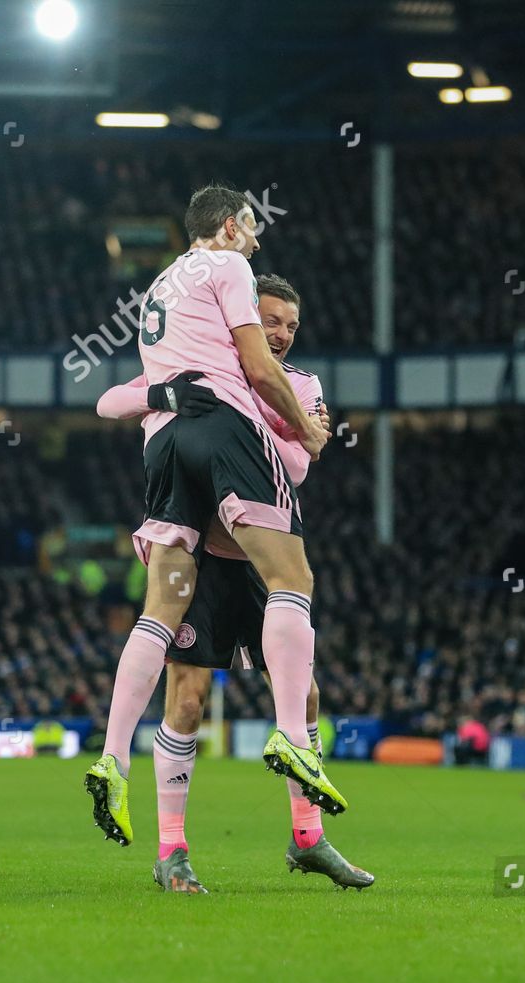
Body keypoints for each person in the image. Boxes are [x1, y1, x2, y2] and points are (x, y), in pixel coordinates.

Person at [82, 186, 340, 893]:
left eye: (288, 323)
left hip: (184, 477)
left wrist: (175, 396)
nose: (277, 331)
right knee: (195, 690)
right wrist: (280, 418)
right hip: (220, 517)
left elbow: (295, 464)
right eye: (268, 318)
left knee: (303, 690)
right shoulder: (230, 290)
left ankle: (306, 836)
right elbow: (286, 440)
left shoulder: (170, 292)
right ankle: (174, 849)